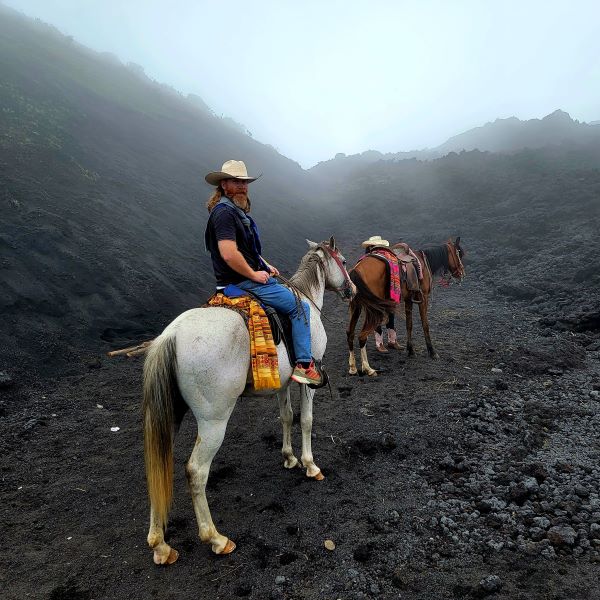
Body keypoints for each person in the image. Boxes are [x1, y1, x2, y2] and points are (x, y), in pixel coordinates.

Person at [204, 159, 322, 386]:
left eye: (245, 182)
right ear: (224, 185)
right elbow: (229, 253)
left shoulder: (233, 212)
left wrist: (265, 266)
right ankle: (304, 366)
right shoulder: (225, 214)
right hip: (241, 283)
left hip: (242, 278)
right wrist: (254, 275)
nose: (242, 186)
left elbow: (248, 251)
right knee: (300, 307)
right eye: (236, 182)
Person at [360, 236, 402, 353]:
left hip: (386, 289)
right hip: (376, 290)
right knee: (376, 313)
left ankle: (392, 340)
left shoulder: (385, 258)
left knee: (391, 311)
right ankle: (379, 342)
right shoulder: (366, 260)